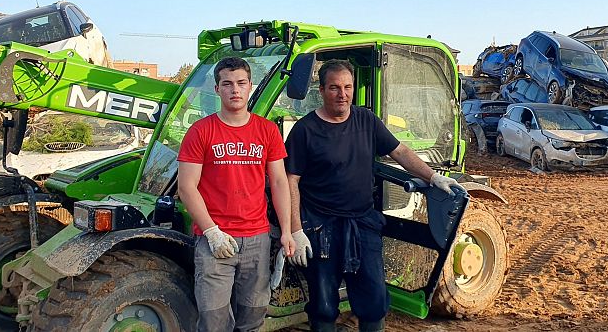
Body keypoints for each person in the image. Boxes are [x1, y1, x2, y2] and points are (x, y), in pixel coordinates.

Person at [284, 59, 459, 332]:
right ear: (321, 90)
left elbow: (400, 152)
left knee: (374, 299)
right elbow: (290, 181)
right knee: (323, 303)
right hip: (320, 227)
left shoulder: (366, 120)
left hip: (363, 223)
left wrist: (433, 177)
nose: (342, 94)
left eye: (347, 87)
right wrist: (296, 230)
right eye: (334, 88)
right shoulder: (305, 130)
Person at [178, 57, 296, 332]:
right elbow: (186, 187)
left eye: (241, 83)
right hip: (215, 242)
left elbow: (279, 181)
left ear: (250, 86)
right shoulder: (200, 131)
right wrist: (212, 232)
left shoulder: (266, 131)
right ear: (217, 89)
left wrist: (288, 232)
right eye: (227, 84)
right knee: (213, 320)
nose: (235, 90)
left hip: (257, 239)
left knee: (253, 316)